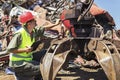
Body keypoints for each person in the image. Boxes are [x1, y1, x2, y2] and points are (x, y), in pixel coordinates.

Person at [6, 11, 60, 80]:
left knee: (46, 53)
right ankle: (28, 75)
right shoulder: (19, 34)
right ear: (29, 24)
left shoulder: (33, 31)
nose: (36, 21)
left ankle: (38, 77)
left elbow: (44, 28)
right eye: (34, 20)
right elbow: (10, 49)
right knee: (44, 68)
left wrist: (55, 24)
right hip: (19, 65)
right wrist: (25, 50)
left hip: (27, 58)